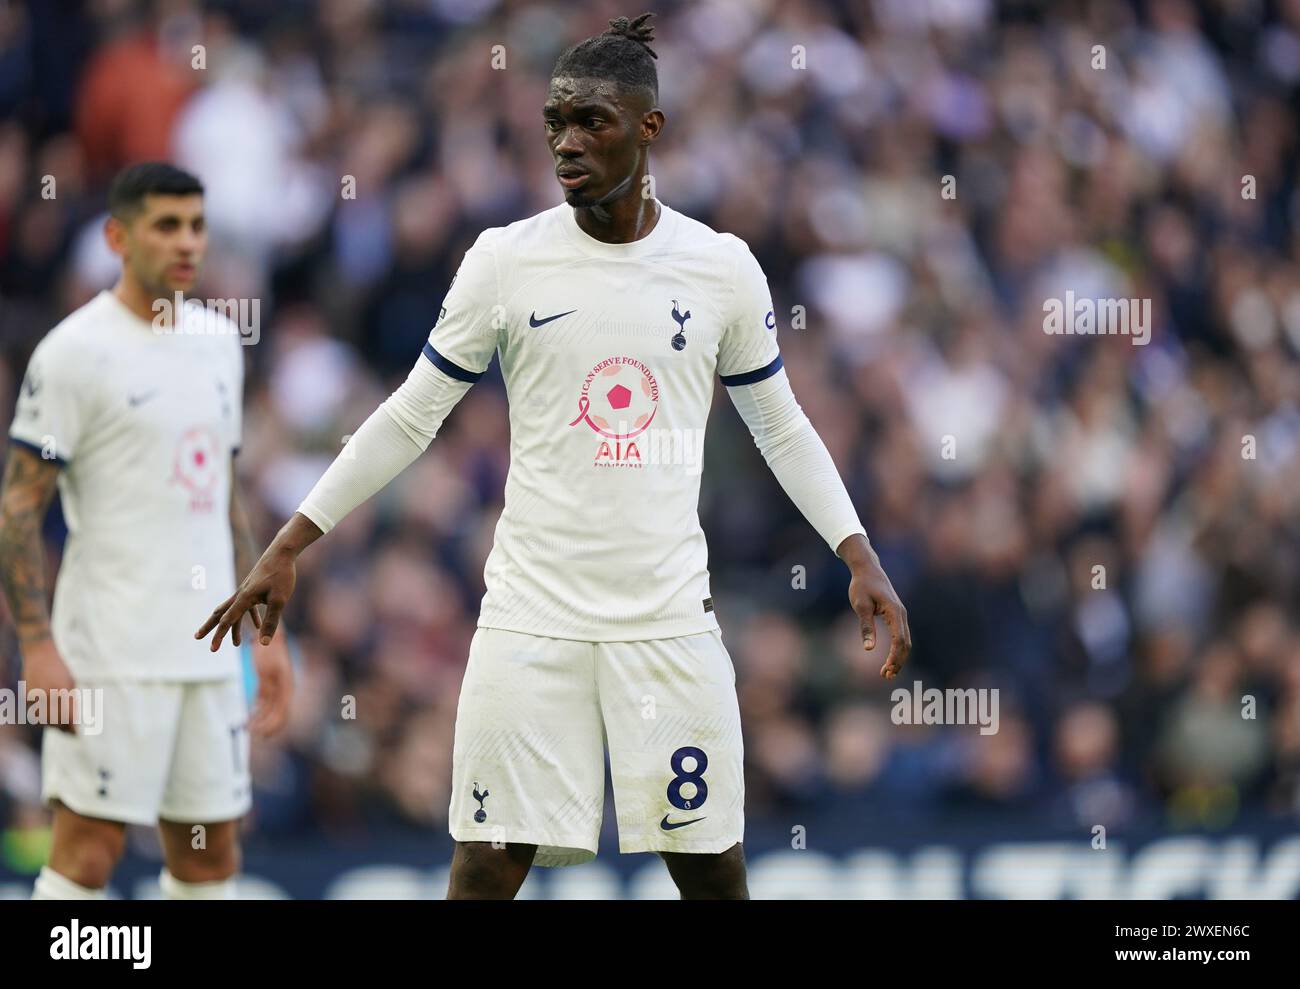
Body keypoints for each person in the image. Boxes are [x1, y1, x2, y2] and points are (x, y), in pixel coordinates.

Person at [197, 13, 909, 900]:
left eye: (591, 123)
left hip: (667, 621)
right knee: (488, 863)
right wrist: (292, 541)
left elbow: (781, 425)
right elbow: (412, 414)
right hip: (532, 618)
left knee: (710, 870)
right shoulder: (506, 260)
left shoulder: (720, 267)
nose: (566, 144)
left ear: (649, 129)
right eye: (554, 123)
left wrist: (857, 549)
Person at [0, 162, 293, 900]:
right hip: (110, 651)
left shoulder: (220, 342)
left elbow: (224, 497)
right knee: (88, 853)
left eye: (196, 225)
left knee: (209, 857)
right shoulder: (74, 352)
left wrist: (267, 632)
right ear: (118, 237)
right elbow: (16, 510)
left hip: (206, 652)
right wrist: (36, 645)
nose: (187, 242)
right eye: (166, 225)